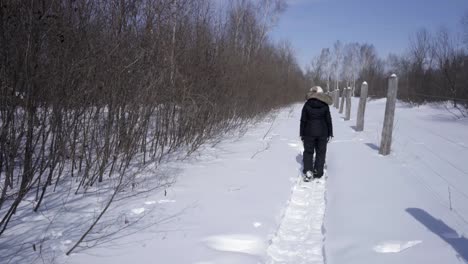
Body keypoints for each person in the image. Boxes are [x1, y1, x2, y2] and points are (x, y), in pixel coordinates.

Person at [300, 86, 333, 180]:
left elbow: (303, 120)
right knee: (321, 152)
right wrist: (330, 133)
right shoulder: (325, 105)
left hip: (308, 132)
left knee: (308, 152)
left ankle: (308, 171)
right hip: (323, 132)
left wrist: (302, 134)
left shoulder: (307, 104)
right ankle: (318, 172)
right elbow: (328, 120)